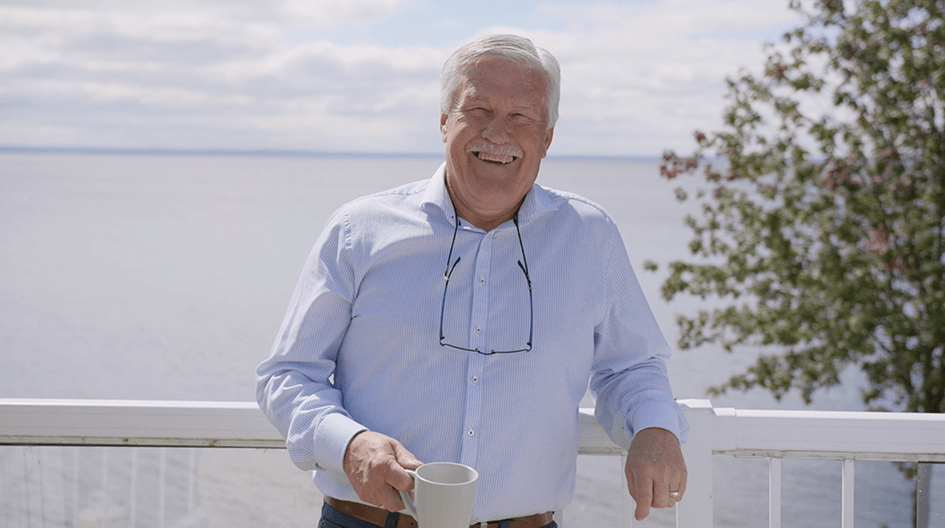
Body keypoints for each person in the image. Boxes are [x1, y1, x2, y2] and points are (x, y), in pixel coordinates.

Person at [256, 33, 689, 528]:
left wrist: (655, 427)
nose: (497, 135)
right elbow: (287, 375)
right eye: (477, 110)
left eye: (520, 117)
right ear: (444, 122)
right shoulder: (359, 231)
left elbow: (632, 367)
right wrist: (349, 442)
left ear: (546, 136)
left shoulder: (591, 236)